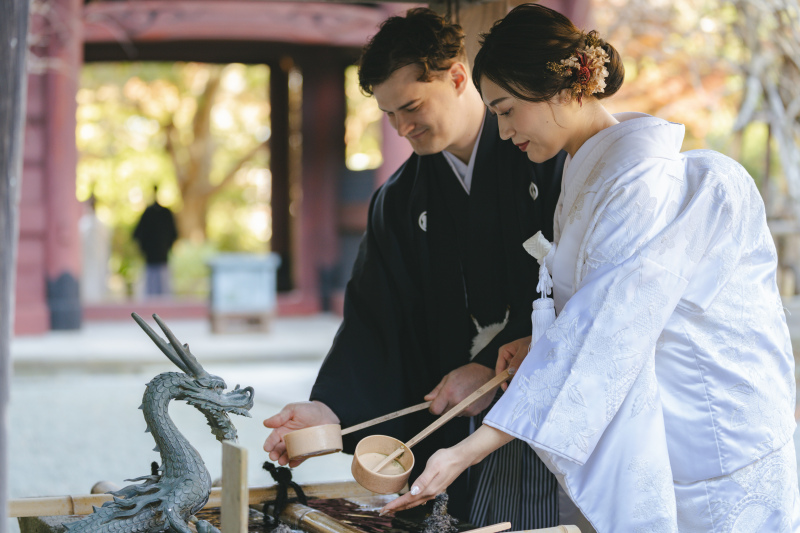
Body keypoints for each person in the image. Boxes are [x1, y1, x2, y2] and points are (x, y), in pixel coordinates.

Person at [381, 4, 800, 532]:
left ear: (564, 88)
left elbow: (604, 333)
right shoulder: (589, 170)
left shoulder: (640, 180)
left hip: (712, 430)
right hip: (671, 423)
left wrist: (468, 451)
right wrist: (538, 344)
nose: (504, 131)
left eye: (508, 110)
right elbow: (597, 313)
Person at [263, 8, 565, 528]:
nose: (402, 128)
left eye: (412, 106)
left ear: (456, 75)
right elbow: (375, 320)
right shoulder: (398, 201)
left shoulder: (545, 154)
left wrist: (492, 367)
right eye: (389, 115)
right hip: (448, 421)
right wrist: (331, 410)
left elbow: (580, 289)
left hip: (540, 406)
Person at [133, 185, 178, 296]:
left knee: (161, 290)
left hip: (160, 257)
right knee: (152, 290)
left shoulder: (165, 213)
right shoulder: (148, 213)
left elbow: (174, 234)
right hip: (152, 258)